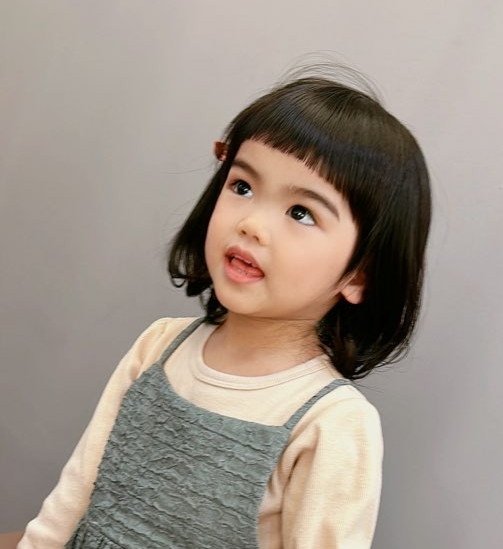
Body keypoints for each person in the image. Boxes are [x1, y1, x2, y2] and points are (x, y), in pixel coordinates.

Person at [18, 73, 431, 549]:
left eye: (301, 213)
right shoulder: (159, 346)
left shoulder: (331, 422)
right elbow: (72, 499)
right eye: (242, 186)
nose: (251, 223)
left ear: (359, 275)